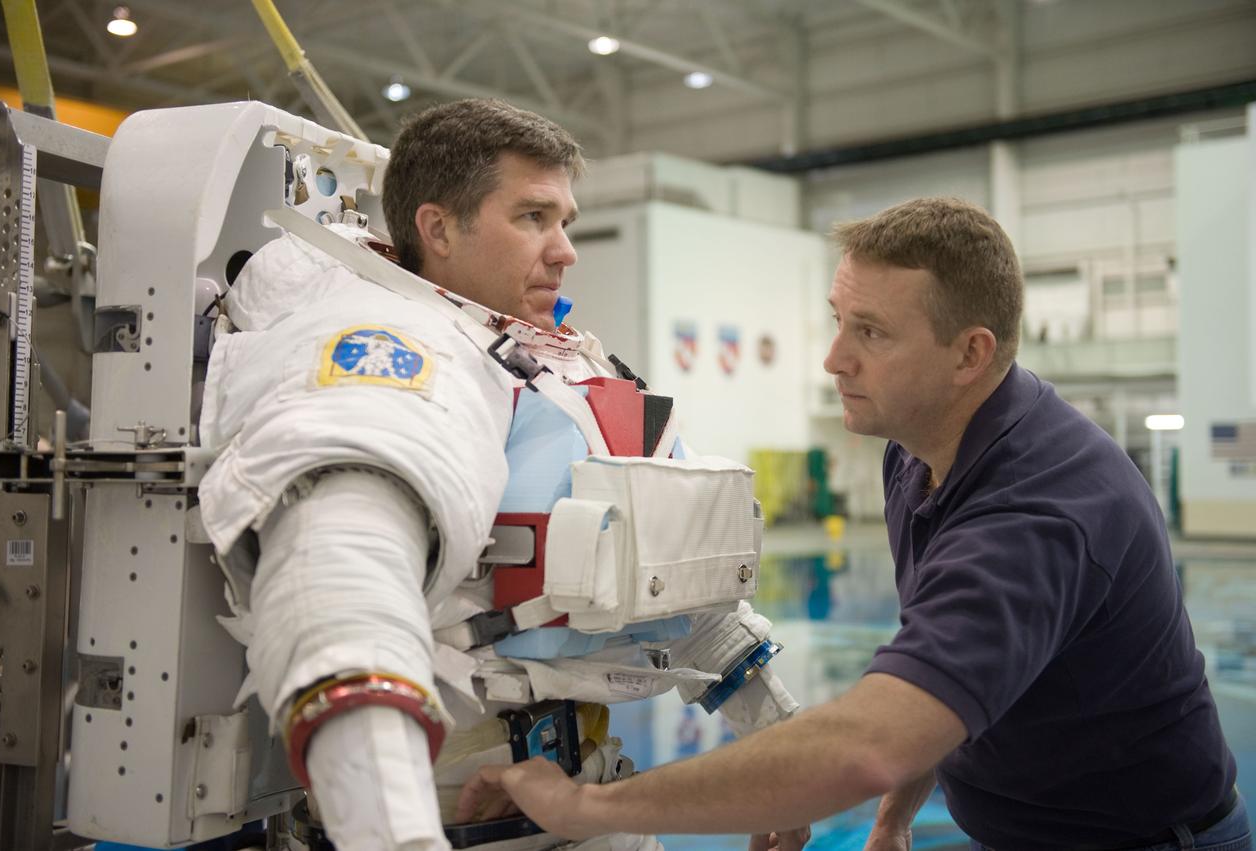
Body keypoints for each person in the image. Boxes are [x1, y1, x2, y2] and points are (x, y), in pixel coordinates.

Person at [458, 197, 1250, 851]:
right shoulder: (919, 452)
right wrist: (896, 816)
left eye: (870, 331)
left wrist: (586, 807)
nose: (834, 358)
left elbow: (870, 741)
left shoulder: (1040, 510)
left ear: (970, 354)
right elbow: (934, 668)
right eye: (838, 320)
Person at [196, 98, 800, 851]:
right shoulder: (394, 361)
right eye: (532, 218)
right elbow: (341, 596)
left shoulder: (544, 361)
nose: (565, 250)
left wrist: (783, 752)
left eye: (565, 221)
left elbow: (671, 578)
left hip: (589, 805)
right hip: (448, 823)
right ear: (438, 229)